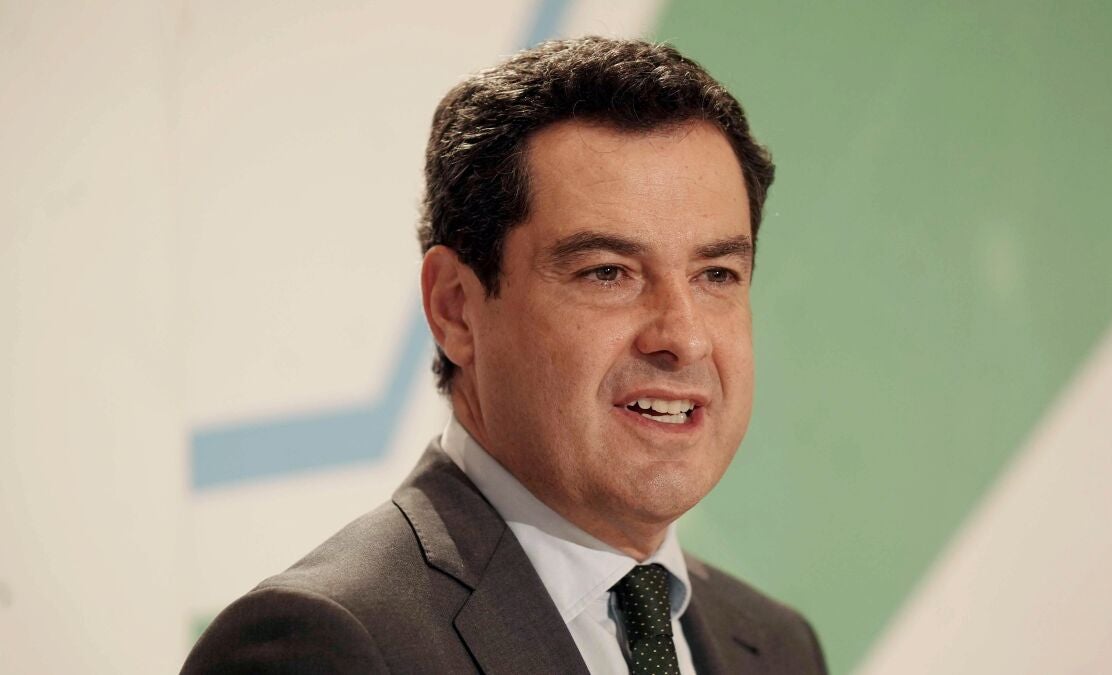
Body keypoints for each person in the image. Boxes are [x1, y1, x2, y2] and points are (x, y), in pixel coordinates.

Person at [183, 36, 827, 675]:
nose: (684, 337)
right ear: (455, 309)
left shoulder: (778, 648)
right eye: (607, 272)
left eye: (716, 275)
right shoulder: (320, 646)